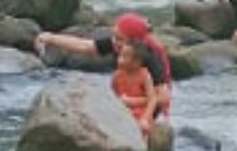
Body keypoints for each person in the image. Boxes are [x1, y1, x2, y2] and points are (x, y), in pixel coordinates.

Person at [35, 11, 173, 121]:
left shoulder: (150, 58)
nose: (114, 41)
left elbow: (163, 98)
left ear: (133, 42)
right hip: (128, 93)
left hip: (146, 106)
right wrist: (50, 38)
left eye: (119, 38)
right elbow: (84, 46)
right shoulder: (118, 43)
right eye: (114, 36)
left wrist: (131, 102)